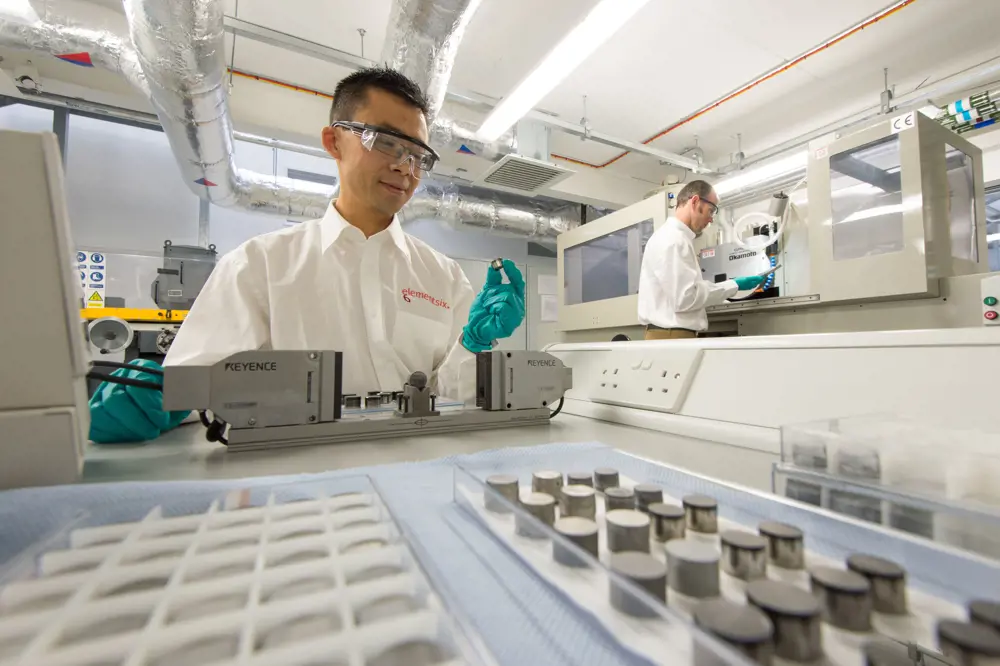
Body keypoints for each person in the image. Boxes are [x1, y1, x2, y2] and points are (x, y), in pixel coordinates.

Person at [89, 66, 524, 443]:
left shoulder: (443, 277)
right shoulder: (258, 266)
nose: (405, 168)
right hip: (298, 489)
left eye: (417, 155)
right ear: (334, 142)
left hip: (422, 480)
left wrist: (475, 344)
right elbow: (192, 392)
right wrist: (159, 402)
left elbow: (454, 397)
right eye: (387, 143)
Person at [637, 180, 763, 341]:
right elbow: (685, 298)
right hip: (672, 336)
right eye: (711, 211)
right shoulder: (674, 240)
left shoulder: (675, 238)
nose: (711, 219)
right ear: (695, 201)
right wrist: (734, 285)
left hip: (670, 335)